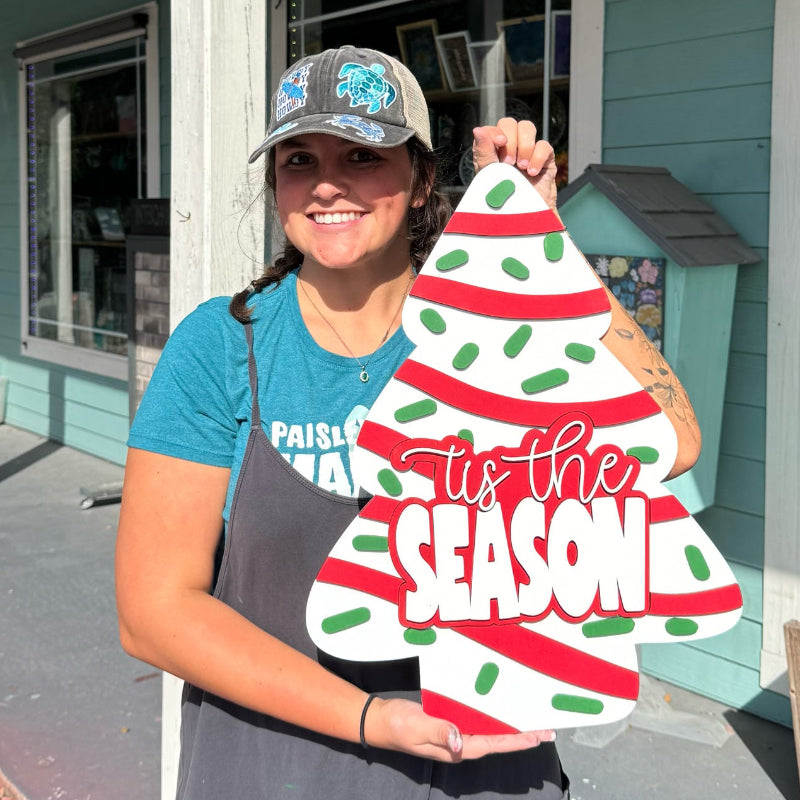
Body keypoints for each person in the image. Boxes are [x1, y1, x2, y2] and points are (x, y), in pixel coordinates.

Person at [115, 46, 700, 799]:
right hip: (271, 769)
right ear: (275, 188)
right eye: (299, 160)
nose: (327, 182)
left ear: (422, 178)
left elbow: (672, 439)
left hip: (487, 769)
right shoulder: (224, 347)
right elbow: (155, 613)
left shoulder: (494, 336)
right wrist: (373, 718)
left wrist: (539, 238)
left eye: (361, 154)